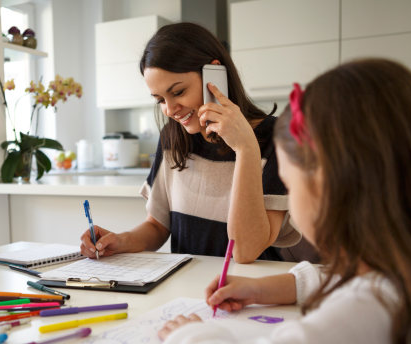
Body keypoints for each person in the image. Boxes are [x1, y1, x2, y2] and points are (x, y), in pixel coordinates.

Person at [157, 58, 411, 344]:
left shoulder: (364, 309)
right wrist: (263, 287)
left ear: (328, 186)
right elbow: (336, 277)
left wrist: (189, 337)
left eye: (290, 187)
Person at [80, 22, 318, 263]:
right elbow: (158, 225)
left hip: (252, 293)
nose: (170, 110)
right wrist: (121, 241)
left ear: (214, 74)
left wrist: (246, 148)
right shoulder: (172, 139)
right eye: (160, 99)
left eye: (178, 92)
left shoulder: (276, 139)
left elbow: (245, 251)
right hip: (187, 290)